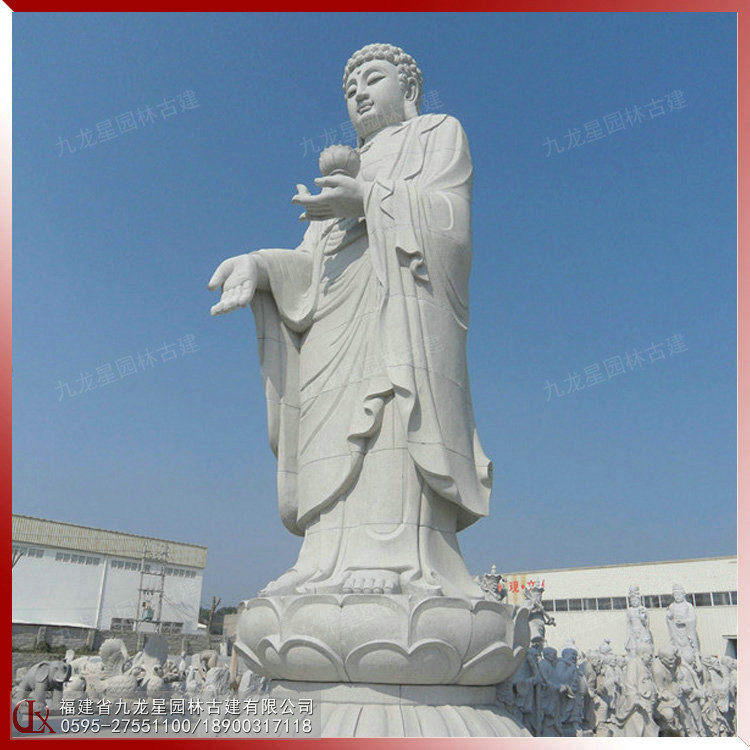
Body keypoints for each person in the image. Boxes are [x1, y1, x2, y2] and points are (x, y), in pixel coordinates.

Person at [208, 44, 492, 599]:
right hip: (332, 324)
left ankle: (393, 552)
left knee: (389, 415)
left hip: (397, 310)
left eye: (373, 78)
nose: (359, 93)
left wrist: (368, 199)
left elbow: (452, 224)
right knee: (329, 430)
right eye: (350, 88)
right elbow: (310, 265)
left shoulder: (436, 133)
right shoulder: (345, 171)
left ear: (409, 89)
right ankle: (321, 557)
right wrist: (259, 265)